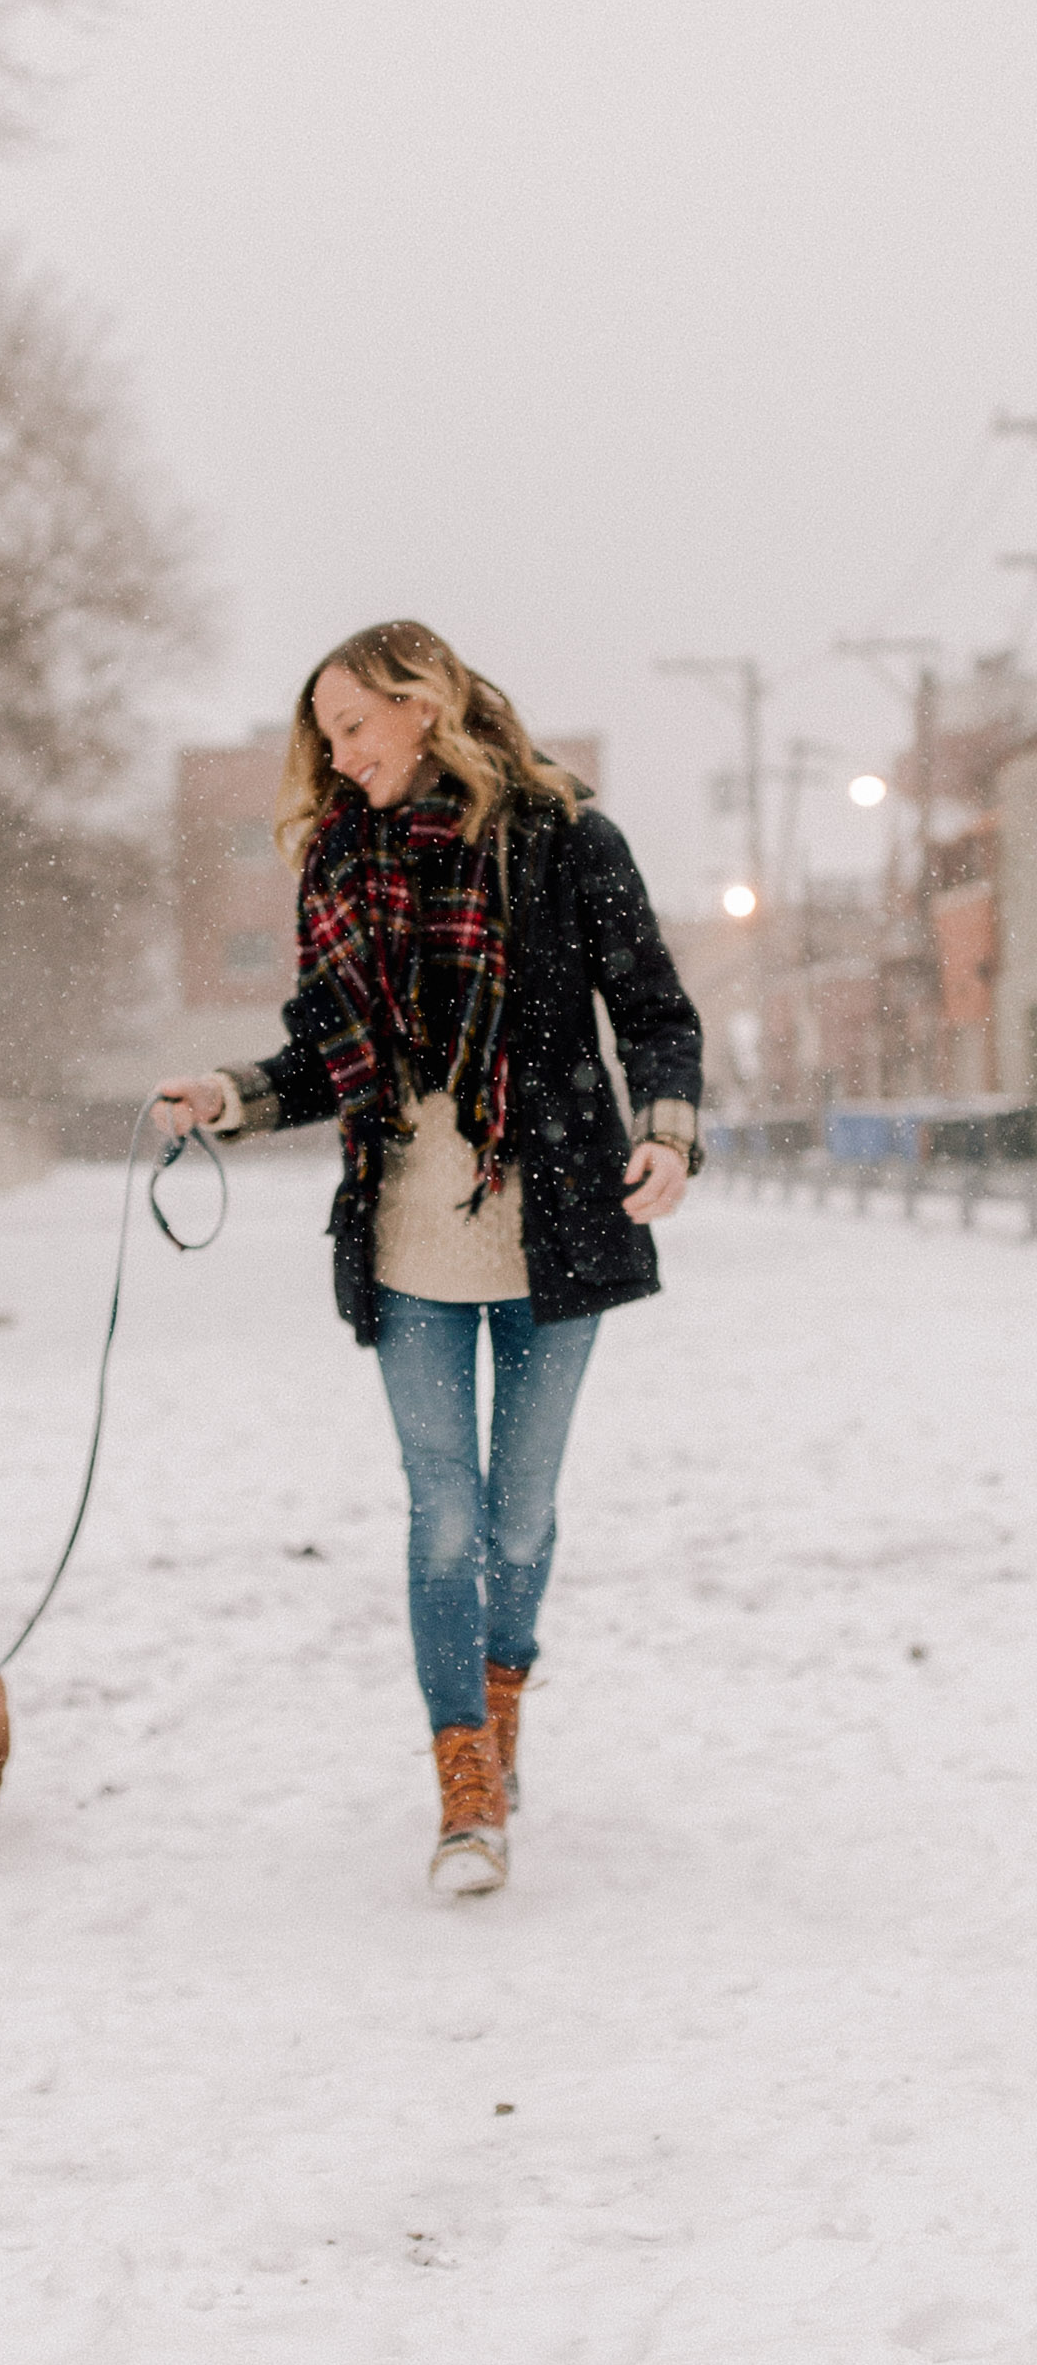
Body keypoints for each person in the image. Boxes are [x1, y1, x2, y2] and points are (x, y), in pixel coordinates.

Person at [156, 620, 702, 1898]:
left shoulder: (567, 837)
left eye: (354, 728)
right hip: (408, 1234)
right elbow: (321, 1056)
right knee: (443, 1515)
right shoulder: (340, 861)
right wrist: (229, 1096)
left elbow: (655, 1004)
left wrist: (669, 1131)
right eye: (326, 738)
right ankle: (465, 1776)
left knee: (521, 1515)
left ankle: (499, 1707)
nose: (340, 760)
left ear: (423, 705)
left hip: (560, 1219)